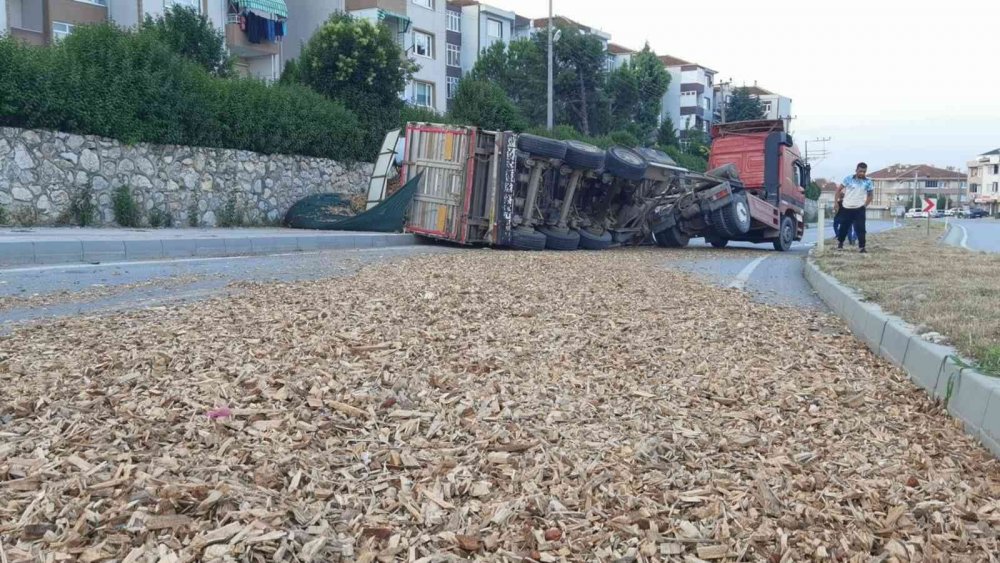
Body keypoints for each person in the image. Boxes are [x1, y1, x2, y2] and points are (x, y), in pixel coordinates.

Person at [835, 162, 873, 253]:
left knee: (861, 229)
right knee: (843, 227)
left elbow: (870, 195)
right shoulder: (848, 179)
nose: (862, 173)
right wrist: (836, 203)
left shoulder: (868, 182)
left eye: (864, 172)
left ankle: (862, 247)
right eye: (860, 171)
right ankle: (840, 243)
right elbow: (838, 190)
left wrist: (864, 205)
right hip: (846, 208)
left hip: (859, 209)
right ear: (856, 170)